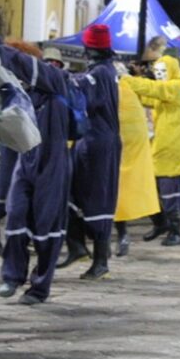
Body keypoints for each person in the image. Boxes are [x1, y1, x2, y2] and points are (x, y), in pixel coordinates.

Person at [0, 39, 72, 305]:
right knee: (15, 215)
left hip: (53, 164)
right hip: (25, 162)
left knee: (47, 226)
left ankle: (39, 287)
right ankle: (12, 276)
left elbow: (26, 64)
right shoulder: (18, 92)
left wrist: (0, 49)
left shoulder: (57, 82)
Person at [60, 24, 122, 280]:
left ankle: (100, 261)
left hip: (98, 144)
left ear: (89, 49)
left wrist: (56, 77)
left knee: (98, 198)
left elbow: (82, 95)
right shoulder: (106, 71)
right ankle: (76, 246)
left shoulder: (99, 74)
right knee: (70, 192)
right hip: (91, 142)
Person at [121, 54, 180, 246]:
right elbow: (147, 96)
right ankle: (162, 223)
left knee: (170, 191)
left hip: (175, 149)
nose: (160, 74)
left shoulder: (177, 87)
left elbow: (152, 89)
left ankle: (175, 231)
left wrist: (127, 79)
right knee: (151, 187)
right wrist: (126, 88)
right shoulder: (165, 92)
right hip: (163, 147)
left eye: (163, 71)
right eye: (157, 71)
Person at [112, 61, 160, 257]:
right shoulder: (131, 87)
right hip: (131, 145)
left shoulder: (119, 88)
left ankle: (121, 235)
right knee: (139, 188)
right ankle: (161, 222)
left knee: (119, 192)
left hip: (121, 147)